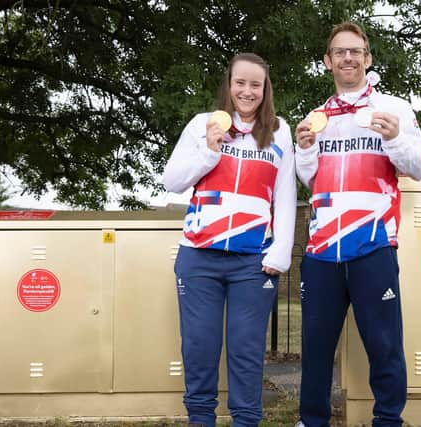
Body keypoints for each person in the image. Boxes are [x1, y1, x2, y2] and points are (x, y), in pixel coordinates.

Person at [294, 22, 421, 427]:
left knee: (384, 345)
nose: (348, 58)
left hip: (373, 245)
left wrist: (394, 139)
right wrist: (303, 151)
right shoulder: (315, 117)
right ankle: (312, 420)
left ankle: (388, 420)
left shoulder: (395, 108)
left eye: (356, 51)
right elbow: (309, 179)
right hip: (321, 251)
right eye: (339, 52)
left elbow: (419, 168)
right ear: (327, 62)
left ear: (368, 59)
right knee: (315, 347)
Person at [163, 52, 296, 427]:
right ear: (229, 84)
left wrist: (281, 250)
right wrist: (209, 150)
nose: (247, 91)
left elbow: (284, 196)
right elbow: (172, 181)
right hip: (199, 257)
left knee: (246, 351)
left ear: (265, 89)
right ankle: (200, 420)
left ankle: (246, 421)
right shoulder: (202, 125)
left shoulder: (279, 131)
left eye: (256, 84)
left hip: (253, 261)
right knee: (200, 348)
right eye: (241, 82)